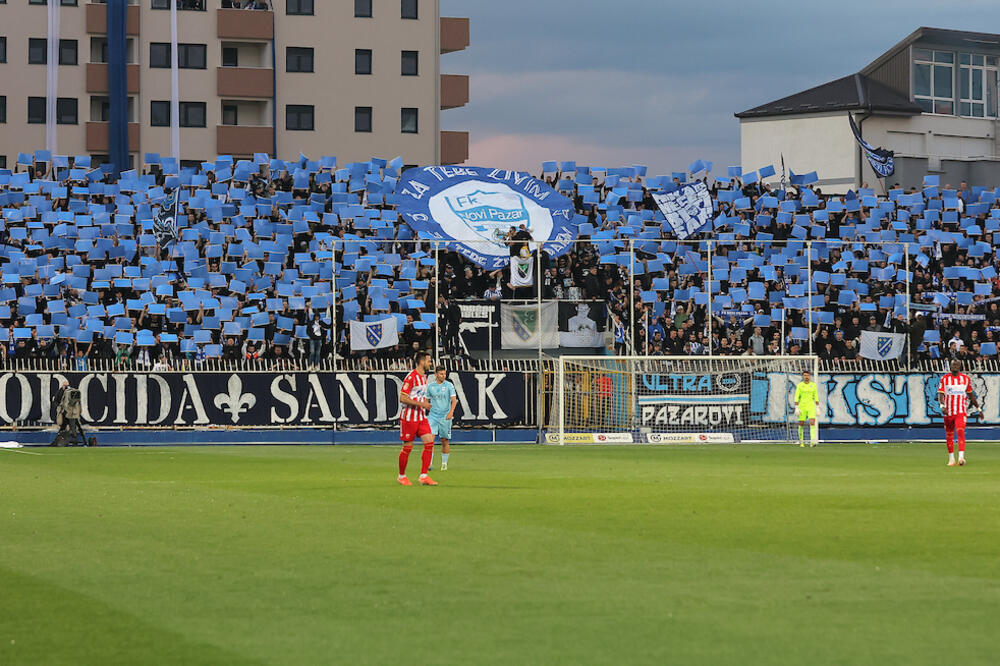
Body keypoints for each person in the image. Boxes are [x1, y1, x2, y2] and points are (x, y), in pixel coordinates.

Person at [397, 351, 437, 486]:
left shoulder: (424, 377)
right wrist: (422, 404)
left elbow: (419, 395)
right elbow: (403, 398)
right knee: (408, 447)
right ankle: (401, 476)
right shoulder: (411, 377)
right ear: (421, 362)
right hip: (409, 417)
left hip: (420, 416)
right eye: (429, 361)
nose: (430, 363)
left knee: (429, 443)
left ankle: (424, 475)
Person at [937, 359, 979, 466]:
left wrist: (979, 409)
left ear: (960, 366)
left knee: (960, 431)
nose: (954, 366)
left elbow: (971, 395)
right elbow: (941, 394)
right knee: (949, 435)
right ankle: (951, 459)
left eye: (957, 365)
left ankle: (961, 458)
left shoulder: (965, 379)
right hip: (948, 412)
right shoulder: (945, 379)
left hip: (960, 411)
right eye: (953, 365)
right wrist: (942, 405)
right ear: (950, 367)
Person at [426, 365, 458, 471]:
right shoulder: (430, 387)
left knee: (444, 440)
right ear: (436, 374)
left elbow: (454, 400)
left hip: (445, 416)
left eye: (445, 374)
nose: (444, 376)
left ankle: (444, 464)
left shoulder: (449, 385)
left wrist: (451, 412)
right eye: (441, 374)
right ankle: (429, 464)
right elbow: (426, 401)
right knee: (430, 440)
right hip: (433, 416)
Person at [793, 370, 819, 447]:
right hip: (802, 407)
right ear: (803, 376)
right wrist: (796, 407)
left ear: (810, 376)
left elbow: (816, 396)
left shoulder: (813, 385)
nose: (806, 377)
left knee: (812, 422)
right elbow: (796, 397)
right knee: (801, 423)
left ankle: (812, 441)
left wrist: (817, 407)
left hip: (811, 406)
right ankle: (801, 441)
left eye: (807, 375)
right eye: (805, 375)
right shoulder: (800, 385)